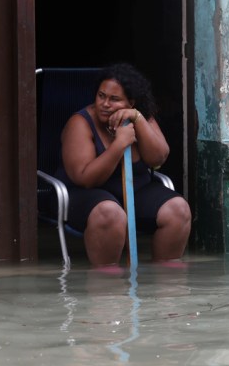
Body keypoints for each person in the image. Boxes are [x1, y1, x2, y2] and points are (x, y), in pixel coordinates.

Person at [55, 63, 191, 266]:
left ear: (131, 102)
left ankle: (167, 282)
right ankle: (108, 284)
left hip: (136, 189)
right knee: (110, 213)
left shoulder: (141, 115)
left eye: (114, 99)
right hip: (87, 194)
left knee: (178, 209)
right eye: (101, 96)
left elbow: (159, 158)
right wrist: (118, 145)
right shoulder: (80, 123)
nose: (105, 104)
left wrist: (138, 119)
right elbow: (85, 178)